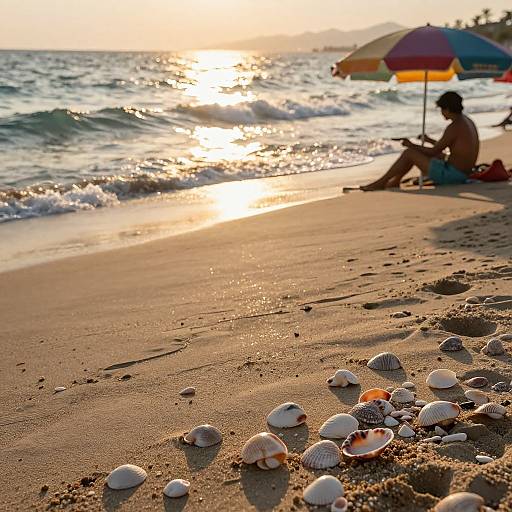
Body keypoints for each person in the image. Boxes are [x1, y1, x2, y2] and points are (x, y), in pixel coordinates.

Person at [361, 91, 479, 191]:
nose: (441, 113)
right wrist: (428, 140)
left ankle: (381, 182)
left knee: (409, 153)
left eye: (442, 110)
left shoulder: (454, 127)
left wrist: (411, 145)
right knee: (422, 153)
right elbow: (448, 146)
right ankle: (395, 181)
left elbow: (433, 152)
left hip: (453, 175)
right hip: (463, 172)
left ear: (447, 109)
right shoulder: (467, 121)